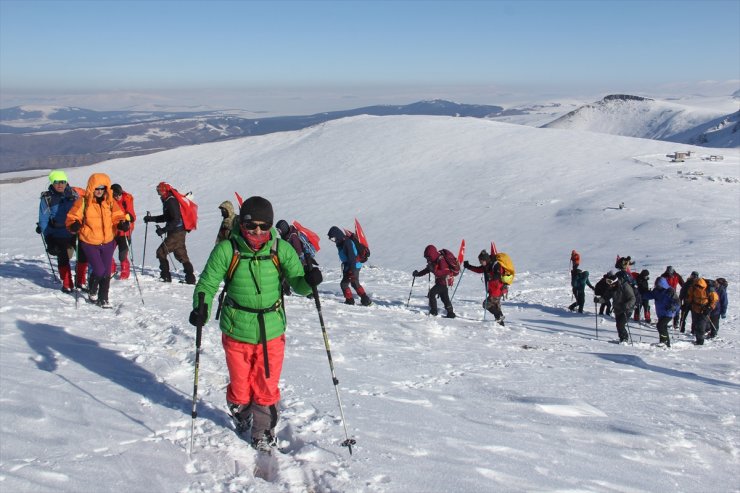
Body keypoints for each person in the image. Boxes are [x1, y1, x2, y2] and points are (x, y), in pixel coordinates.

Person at [189, 196, 322, 452]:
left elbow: (298, 284)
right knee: (240, 387)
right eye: (251, 226)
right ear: (242, 225)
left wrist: (310, 282)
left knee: (266, 386)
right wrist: (200, 308)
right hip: (236, 329)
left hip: (271, 330)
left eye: (264, 226)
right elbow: (206, 283)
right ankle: (240, 411)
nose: (257, 232)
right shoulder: (227, 250)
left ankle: (262, 431)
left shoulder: (280, 249)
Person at [65, 173, 128, 307]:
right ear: (91, 188)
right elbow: (72, 217)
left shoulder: (110, 203)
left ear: (106, 189)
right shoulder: (83, 202)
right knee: (99, 270)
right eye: (97, 188)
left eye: (102, 188)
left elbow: (118, 216)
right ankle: (92, 290)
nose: (99, 191)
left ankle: (103, 298)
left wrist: (121, 223)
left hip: (108, 242)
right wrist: (73, 224)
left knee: (106, 272)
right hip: (89, 242)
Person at [37, 170, 88, 293]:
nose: (60, 184)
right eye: (57, 182)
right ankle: (67, 283)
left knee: (83, 255)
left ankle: (80, 281)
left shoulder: (74, 194)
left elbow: (83, 210)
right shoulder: (47, 198)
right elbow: (43, 219)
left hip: (74, 231)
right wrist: (48, 239)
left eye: (63, 182)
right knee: (63, 258)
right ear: (52, 183)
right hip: (57, 234)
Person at [143, 182, 195, 284]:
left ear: (165, 190)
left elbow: (175, 219)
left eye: (160, 190)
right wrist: (151, 219)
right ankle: (190, 278)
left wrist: (163, 230)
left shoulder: (170, 201)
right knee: (181, 254)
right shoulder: (168, 199)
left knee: (161, 252)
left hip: (176, 232)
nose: (159, 193)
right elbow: (167, 217)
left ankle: (166, 276)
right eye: (158, 191)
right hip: (179, 231)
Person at [327, 226, 372, 306]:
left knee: (344, 284)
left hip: (353, 265)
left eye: (333, 238)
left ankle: (350, 301)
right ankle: (365, 300)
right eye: (331, 239)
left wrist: (351, 271)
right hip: (350, 265)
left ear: (337, 235)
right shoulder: (341, 242)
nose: (333, 240)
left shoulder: (347, 243)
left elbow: (352, 257)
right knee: (354, 283)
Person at [411, 245, 456, 319]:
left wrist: (433, 270)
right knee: (444, 298)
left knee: (431, 294)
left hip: (443, 282)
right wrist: (418, 274)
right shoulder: (433, 261)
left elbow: (445, 272)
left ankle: (434, 311)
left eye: (428, 257)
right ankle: (450, 313)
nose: (427, 260)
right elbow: (427, 270)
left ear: (432, 255)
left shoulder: (441, 260)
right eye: (426, 258)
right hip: (441, 283)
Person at [464, 250, 506, 324]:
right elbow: (479, 269)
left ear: (485, 260)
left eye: (481, 261)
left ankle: (499, 316)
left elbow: (498, 275)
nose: (480, 263)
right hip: (494, 290)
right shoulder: (486, 265)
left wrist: (491, 277)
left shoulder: (495, 264)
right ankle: (501, 323)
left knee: (486, 304)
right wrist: (469, 266)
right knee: (496, 307)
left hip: (496, 289)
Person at [643, 277, 680, 347]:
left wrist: (673, 306)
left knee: (660, 325)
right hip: (661, 313)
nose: (657, 286)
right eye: (656, 285)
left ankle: (665, 341)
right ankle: (665, 343)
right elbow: (649, 295)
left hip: (669, 313)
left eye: (659, 285)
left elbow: (677, 302)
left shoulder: (670, 291)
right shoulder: (656, 291)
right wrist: (641, 294)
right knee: (663, 327)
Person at [110, 184, 136, 280]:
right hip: (113, 231)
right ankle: (111, 268)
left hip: (125, 232)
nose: (118, 197)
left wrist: (128, 219)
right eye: (115, 195)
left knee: (122, 254)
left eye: (119, 194)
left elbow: (132, 215)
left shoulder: (126, 200)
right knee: (108, 251)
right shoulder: (109, 201)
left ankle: (125, 270)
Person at [686, 275, 718, 345]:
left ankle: (700, 341)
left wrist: (709, 308)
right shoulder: (693, 288)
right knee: (696, 324)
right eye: (697, 286)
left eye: (699, 286)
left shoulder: (709, 290)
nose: (698, 287)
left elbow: (714, 300)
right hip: (695, 309)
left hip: (704, 309)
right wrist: (688, 304)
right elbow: (690, 297)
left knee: (701, 325)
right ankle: (699, 337)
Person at [606, 270, 636, 343]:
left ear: (615, 282)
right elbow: (606, 297)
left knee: (621, 324)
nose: (610, 285)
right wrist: (599, 300)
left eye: (610, 283)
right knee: (618, 325)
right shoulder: (612, 287)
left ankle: (625, 339)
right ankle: (622, 338)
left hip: (627, 309)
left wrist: (626, 306)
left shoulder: (625, 286)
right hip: (618, 309)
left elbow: (632, 298)